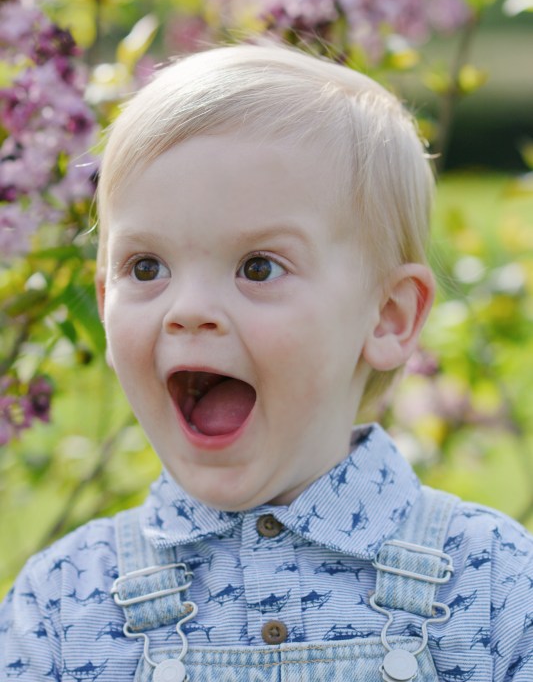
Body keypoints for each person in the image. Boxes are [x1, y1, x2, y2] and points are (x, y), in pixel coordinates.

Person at [1, 44, 532, 682]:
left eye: (257, 268)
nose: (188, 310)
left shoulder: (496, 588)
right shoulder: (62, 606)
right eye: (146, 268)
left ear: (387, 316)